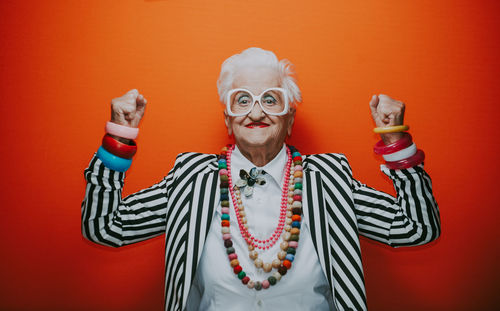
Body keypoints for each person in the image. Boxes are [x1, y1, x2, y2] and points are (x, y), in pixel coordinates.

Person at [82, 47, 440, 311]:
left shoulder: (329, 179)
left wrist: (396, 140)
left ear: (289, 119)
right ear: (227, 119)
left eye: (271, 99)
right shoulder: (191, 178)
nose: (256, 111)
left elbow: (416, 227)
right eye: (242, 100)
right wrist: (120, 137)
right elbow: (106, 226)